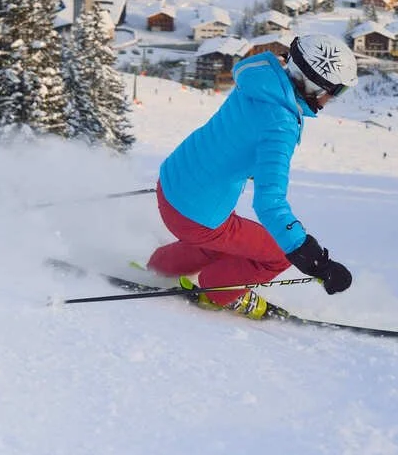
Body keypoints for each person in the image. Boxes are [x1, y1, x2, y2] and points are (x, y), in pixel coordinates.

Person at [145, 34, 357, 319]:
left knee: (225, 241)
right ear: (314, 83)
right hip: (196, 216)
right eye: (337, 90)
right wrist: (316, 262)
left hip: (172, 182)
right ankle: (215, 292)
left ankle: (160, 267)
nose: (333, 98)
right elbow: (270, 204)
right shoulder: (280, 125)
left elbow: (239, 134)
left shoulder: (260, 79)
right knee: (277, 254)